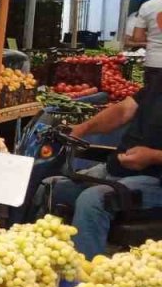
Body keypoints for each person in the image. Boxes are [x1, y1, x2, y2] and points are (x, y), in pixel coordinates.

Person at [48, 84, 162, 258]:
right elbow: (123, 110)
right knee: (52, 188)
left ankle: (86, 278)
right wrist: (82, 129)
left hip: (154, 182)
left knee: (93, 200)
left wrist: (153, 156)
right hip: (117, 170)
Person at [129, 0, 162, 91]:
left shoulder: (148, 5)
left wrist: (153, 38)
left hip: (154, 61)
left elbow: (137, 37)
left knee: (152, 99)